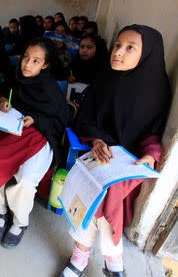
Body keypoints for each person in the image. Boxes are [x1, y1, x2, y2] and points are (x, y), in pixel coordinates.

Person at [60, 25, 171, 277]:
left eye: (130, 48)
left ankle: (83, 257)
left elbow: (151, 133)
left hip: (128, 161)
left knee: (108, 192)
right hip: (96, 151)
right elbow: (85, 118)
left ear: (147, 54)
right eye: (118, 45)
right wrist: (97, 140)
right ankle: (110, 262)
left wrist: (150, 154)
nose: (118, 52)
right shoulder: (105, 78)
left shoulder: (156, 89)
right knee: (97, 190)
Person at [0, 37, 69, 248]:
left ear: (45, 65)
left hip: (40, 136)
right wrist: (3, 101)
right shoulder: (15, 76)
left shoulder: (51, 88)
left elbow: (62, 118)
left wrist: (37, 119)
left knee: (26, 179)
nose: (27, 64)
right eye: (26, 57)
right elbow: (3, 92)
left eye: (36, 61)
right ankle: (1, 211)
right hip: (13, 132)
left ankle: (19, 221)